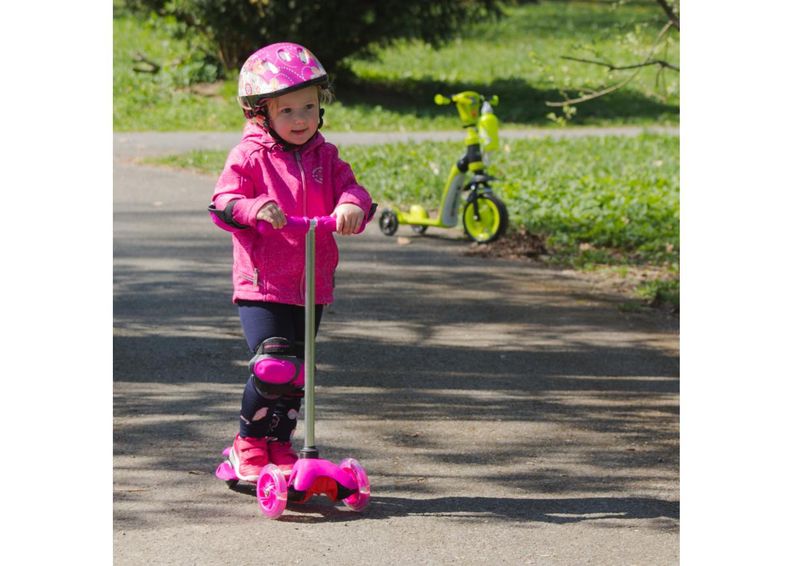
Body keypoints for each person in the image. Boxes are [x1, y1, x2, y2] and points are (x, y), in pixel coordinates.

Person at [209, 42, 373, 482]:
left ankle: (279, 445)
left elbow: (354, 191)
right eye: (287, 111)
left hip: (312, 282)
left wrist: (353, 206)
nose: (301, 119)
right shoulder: (250, 156)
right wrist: (252, 208)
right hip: (263, 283)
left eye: (310, 107)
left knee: (298, 376)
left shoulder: (328, 157)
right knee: (274, 365)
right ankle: (247, 446)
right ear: (260, 114)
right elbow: (223, 201)